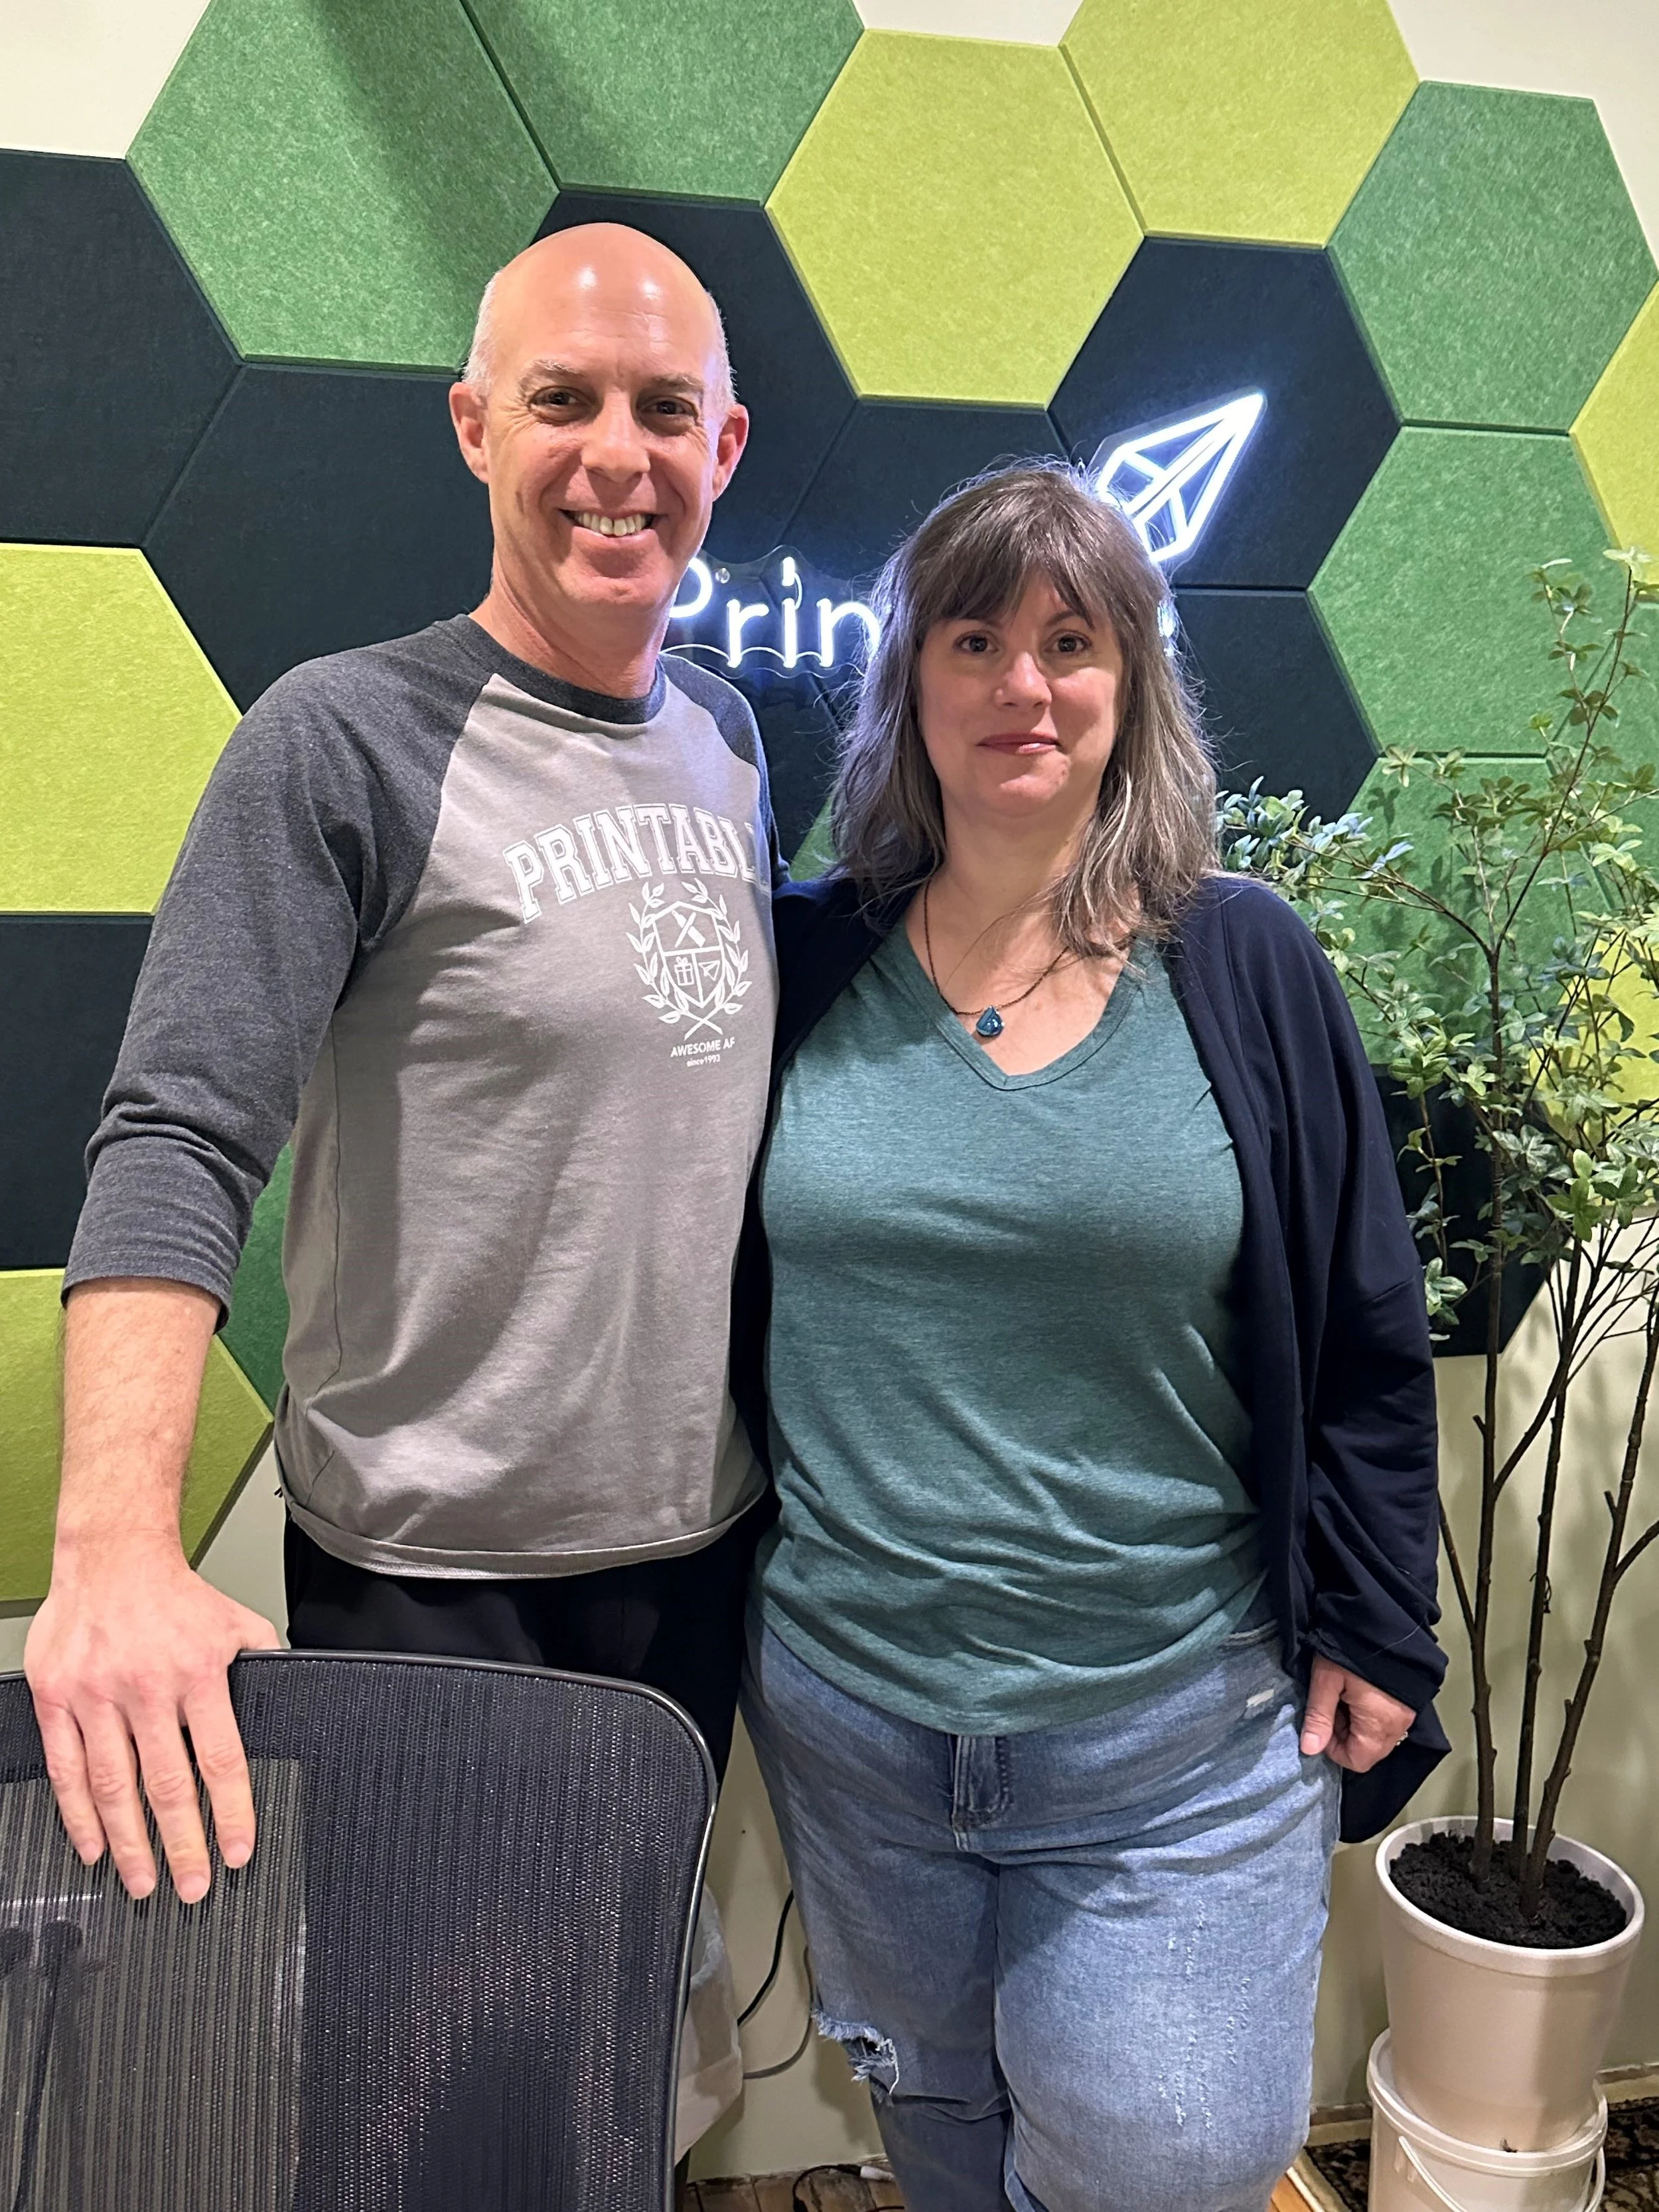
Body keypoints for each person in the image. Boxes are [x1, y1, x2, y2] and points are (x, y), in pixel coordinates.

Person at [26, 226, 780, 1942]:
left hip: (690, 1554)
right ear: (474, 429)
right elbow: (180, 1130)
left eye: (666, 408)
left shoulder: (729, 740)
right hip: (431, 1581)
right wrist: (113, 1548)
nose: (617, 455)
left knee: (621, 2035)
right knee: (420, 2091)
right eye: (560, 399)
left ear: (722, 449)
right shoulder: (338, 738)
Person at [729, 462, 1447, 2212]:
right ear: (907, 681)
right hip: (854, 1716)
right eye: (972, 638)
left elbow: (1363, 1325)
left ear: (1131, 686)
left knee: (1161, 2157)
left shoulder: (1241, 961)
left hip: (1178, 1734)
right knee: (944, 2130)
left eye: (1070, 640)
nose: (1021, 683)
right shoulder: (800, 960)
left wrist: (1374, 1613)